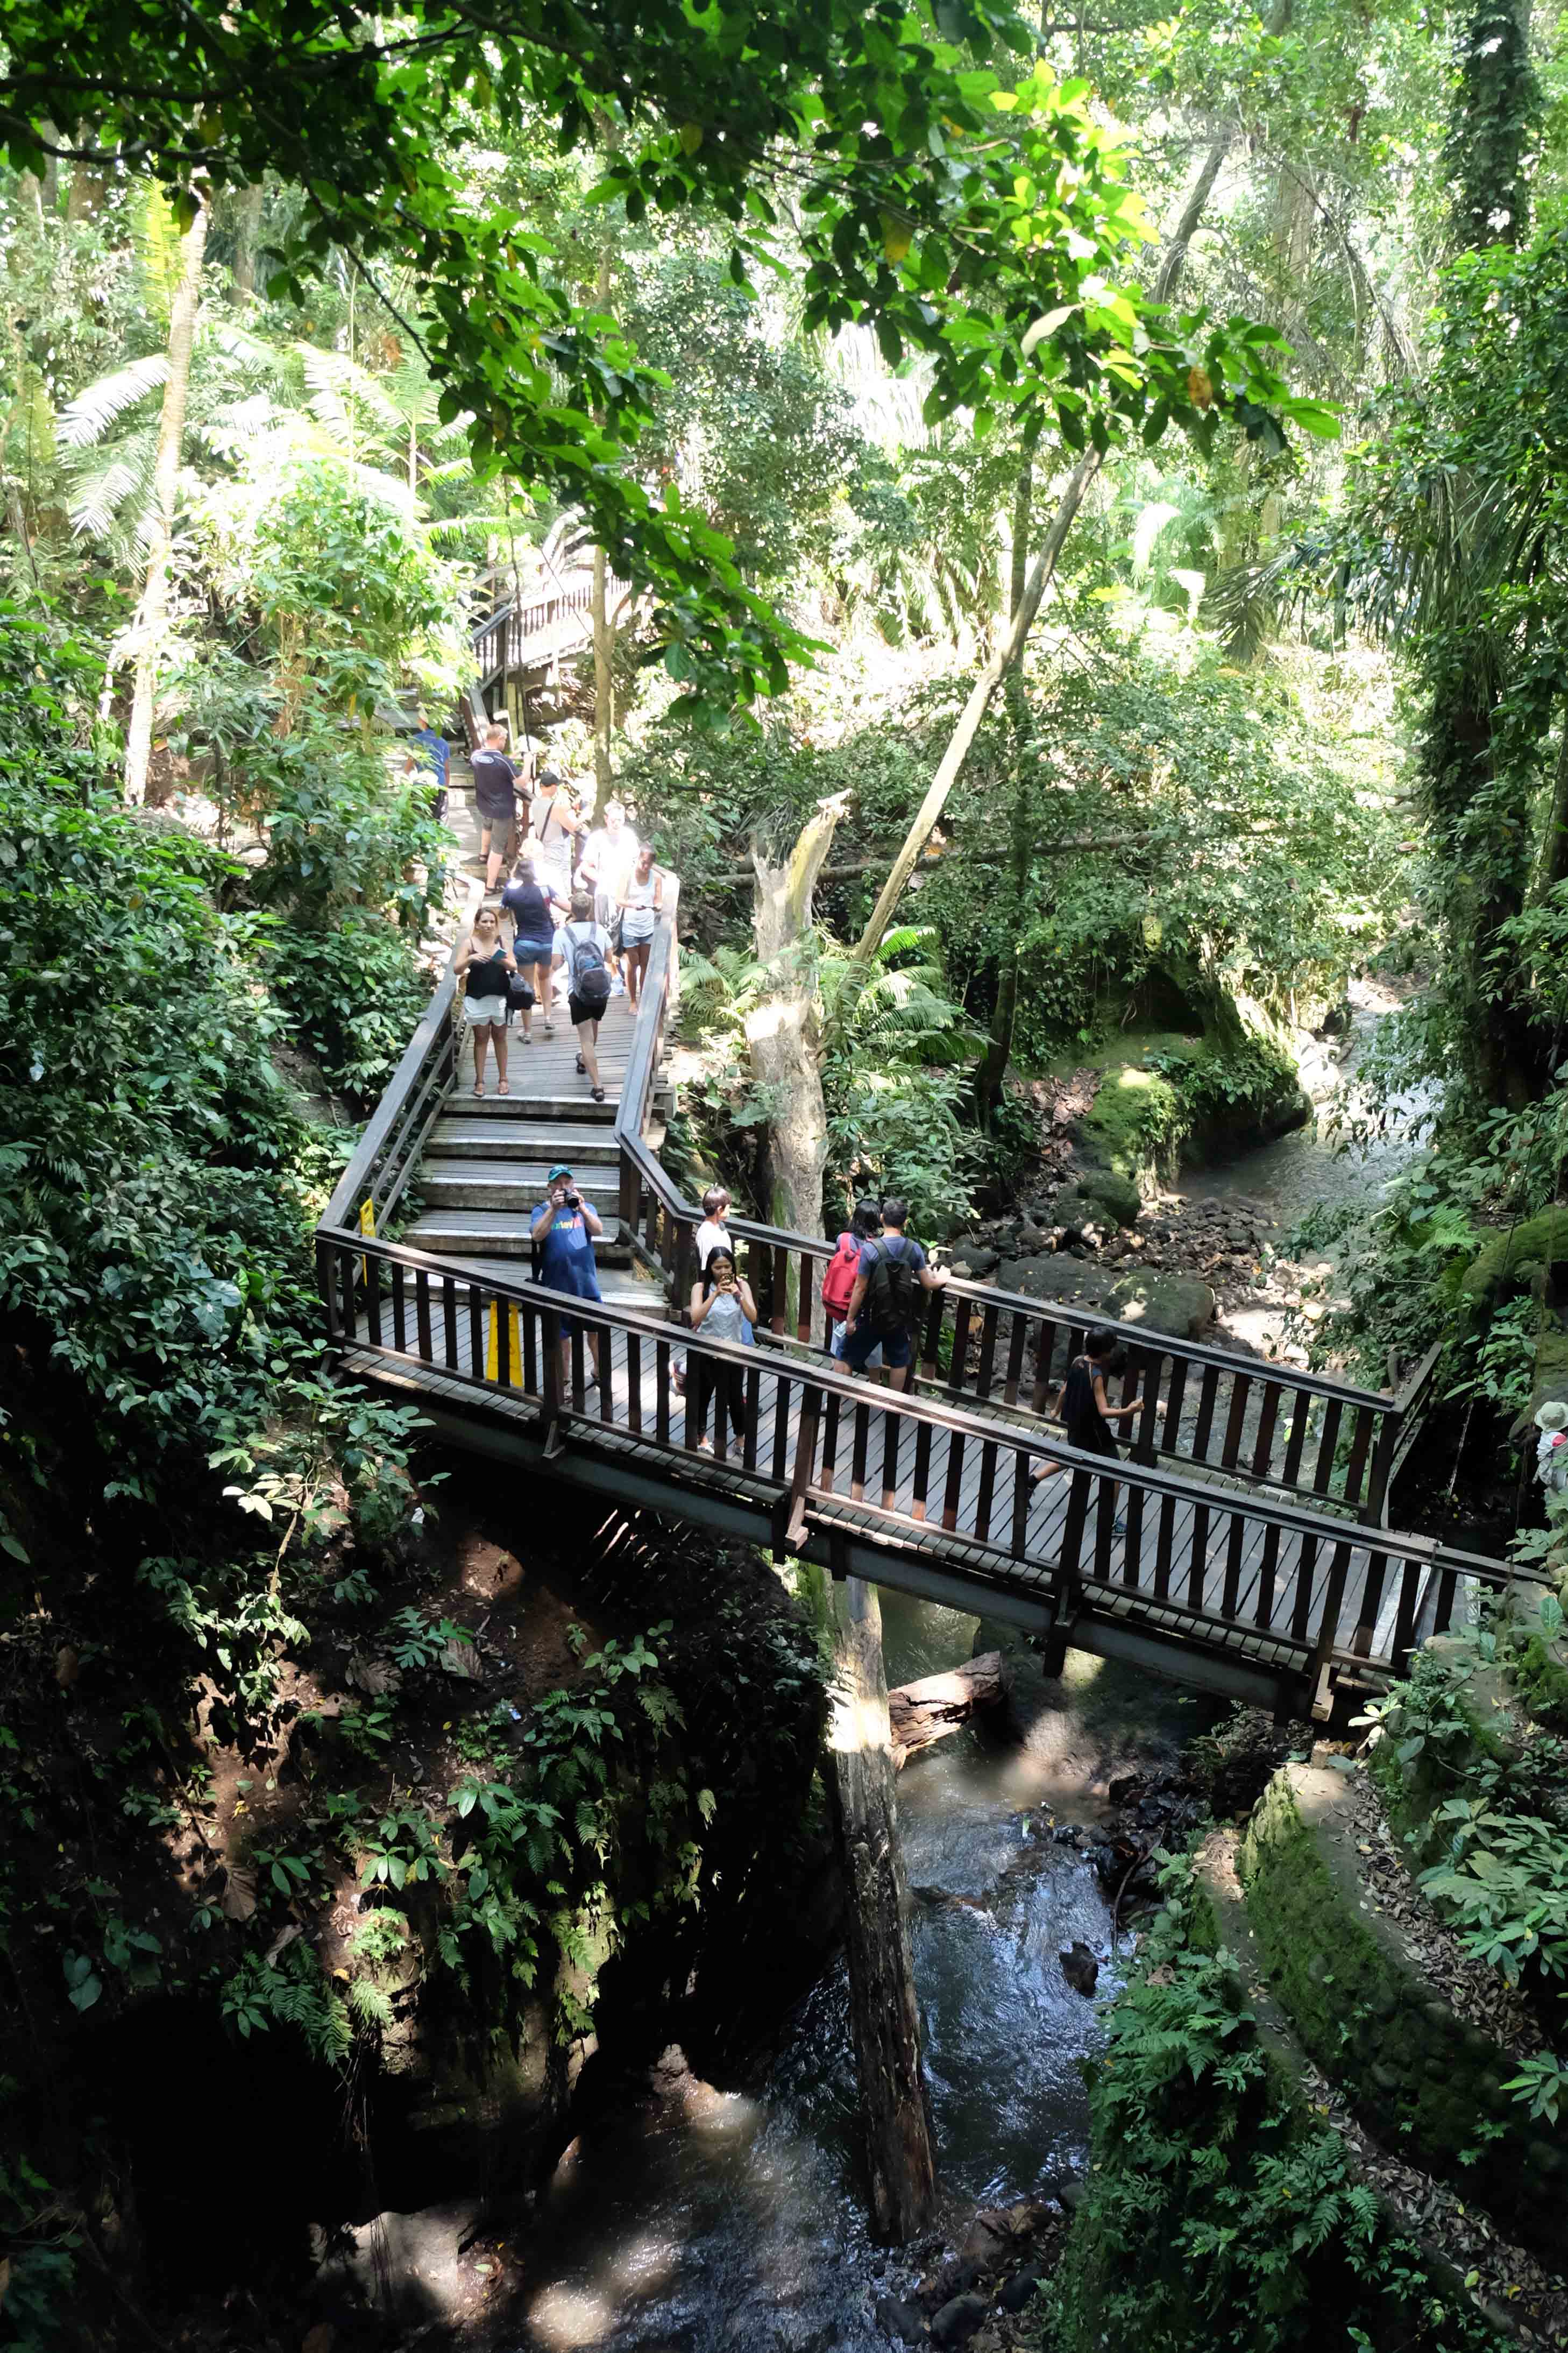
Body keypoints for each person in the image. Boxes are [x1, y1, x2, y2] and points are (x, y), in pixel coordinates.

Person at [1032, 1327, 1142, 1528]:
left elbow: (1065, 1389)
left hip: (1076, 1425)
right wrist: (1129, 1410)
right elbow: (1103, 1411)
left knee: (1074, 1455)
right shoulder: (1097, 1376)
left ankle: (1030, 1481)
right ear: (1107, 1352)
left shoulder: (1078, 1361)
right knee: (1114, 1472)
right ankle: (1109, 1520)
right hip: (1095, 1432)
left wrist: (1057, 1410)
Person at [840, 1197, 948, 1391]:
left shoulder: (870, 1250)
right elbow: (927, 1283)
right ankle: (893, 1410)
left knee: (845, 1355)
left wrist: (850, 1319)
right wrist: (942, 1278)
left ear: (882, 1218)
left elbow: (860, 1288)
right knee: (899, 1361)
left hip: (871, 1316)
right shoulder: (913, 1249)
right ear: (905, 1223)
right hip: (899, 1317)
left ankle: (838, 1400)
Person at [531, 1162, 605, 1392]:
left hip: (586, 1283)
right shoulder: (541, 1210)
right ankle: (565, 1381)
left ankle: (600, 1372)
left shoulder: (585, 1207)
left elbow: (598, 1230)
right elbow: (537, 1236)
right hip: (558, 1284)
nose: (563, 1187)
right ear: (550, 1187)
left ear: (573, 1184)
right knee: (563, 1337)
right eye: (558, 1184)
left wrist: (582, 1208)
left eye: (567, 1182)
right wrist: (553, 1210)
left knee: (595, 1331)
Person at [687, 1248, 757, 1451]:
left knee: (735, 1396)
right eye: (718, 1267)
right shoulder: (700, 1288)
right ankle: (701, 1437)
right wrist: (716, 1293)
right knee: (703, 1395)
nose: (723, 1271)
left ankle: (740, 1438)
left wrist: (740, 1296)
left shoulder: (743, 1286)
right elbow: (695, 1318)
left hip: (733, 1351)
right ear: (710, 1268)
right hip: (707, 1350)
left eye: (727, 1266)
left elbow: (752, 1317)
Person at [555, 889, 617, 1103]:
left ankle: (598, 1086)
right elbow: (609, 958)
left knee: (586, 1039)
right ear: (590, 910)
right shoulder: (599, 930)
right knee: (593, 1030)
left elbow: (555, 964)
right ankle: (583, 1061)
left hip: (578, 992)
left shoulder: (562, 934)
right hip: (600, 988)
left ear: (572, 910)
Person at [500, 854, 566, 1043]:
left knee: (527, 988)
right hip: (547, 942)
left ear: (517, 873)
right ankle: (547, 1018)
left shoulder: (511, 893)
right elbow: (568, 906)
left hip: (525, 943)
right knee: (545, 979)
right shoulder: (545, 890)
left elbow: (503, 915)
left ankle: (527, 1031)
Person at [453, 905, 517, 1098]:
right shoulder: (469, 943)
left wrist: (501, 959)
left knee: (500, 1037)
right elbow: (457, 969)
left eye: (492, 922)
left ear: (496, 924)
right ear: (477, 924)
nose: (488, 925)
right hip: (477, 996)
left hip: (500, 996)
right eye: (485, 921)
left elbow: (514, 966)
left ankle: (503, 1079)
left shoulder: (502, 941)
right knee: (481, 1039)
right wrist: (471, 959)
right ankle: (479, 1081)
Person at [821, 1197, 883, 1359]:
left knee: (839, 1346)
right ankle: (874, 1382)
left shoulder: (843, 1239)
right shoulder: (878, 1245)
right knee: (873, 1351)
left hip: (841, 1301)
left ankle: (836, 1380)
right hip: (866, 1305)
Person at [470, 724, 522, 894]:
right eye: (505, 740)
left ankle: (482, 855)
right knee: (498, 847)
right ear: (499, 738)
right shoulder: (503, 761)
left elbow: (491, 765)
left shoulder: (476, 756)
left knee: (486, 826)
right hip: (502, 809)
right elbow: (522, 781)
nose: (505, 743)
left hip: (485, 804)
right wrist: (528, 763)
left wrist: (510, 760)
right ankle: (490, 886)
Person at [577, 799, 640, 941]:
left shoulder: (629, 837)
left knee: (623, 929)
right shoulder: (597, 838)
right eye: (613, 820)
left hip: (626, 891)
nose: (616, 823)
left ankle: (616, 959)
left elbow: (636, 863)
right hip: (604, 891)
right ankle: (603, 957)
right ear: (606, 819)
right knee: (603, 930)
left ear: (624, 819)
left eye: (620, 820)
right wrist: (601, 879)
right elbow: (585, 865)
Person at [616, 842, 663, 1010]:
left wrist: (658, 904)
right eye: (643, 862)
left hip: (648, 926)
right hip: (631, 925)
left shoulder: (656, 878)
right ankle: (632, 1001)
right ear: (638, 859)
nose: (645, 867)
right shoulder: (628, 875)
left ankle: (643, 999)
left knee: (645, 964)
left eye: (649, 864)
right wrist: (632, 905)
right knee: (632, 964)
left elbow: (658, 899)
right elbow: (619, 899)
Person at [528, 769, 584, 906]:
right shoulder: (556, 808)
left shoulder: (535, 803)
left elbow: (552, 812)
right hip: (558, 849)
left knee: (548, 878)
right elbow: (572, 828)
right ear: (553, 787)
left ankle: (550, 906)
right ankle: (565, 909)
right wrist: (584, 817)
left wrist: (571, 807)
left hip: (544, 845)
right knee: (561, 880)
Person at [404, 711, 450, 821]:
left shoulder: (415, 740)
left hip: (421, 785)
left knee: (418, 820)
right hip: (439, 786)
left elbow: (409, 766)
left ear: (424, 722)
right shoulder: (443, 743)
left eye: (419, 719)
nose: (418, 721)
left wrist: (405, 783)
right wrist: (446, 790)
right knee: (436, 820)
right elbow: (447, 770)